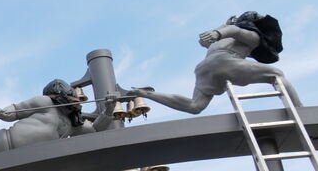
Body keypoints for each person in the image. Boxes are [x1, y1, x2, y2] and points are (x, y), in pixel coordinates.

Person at [123, 12, 301, 114]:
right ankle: (301, 110)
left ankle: (144, 94)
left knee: (195, 106)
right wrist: (218, 31)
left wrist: (218, 30)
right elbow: (236, 32)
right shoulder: (253, 37)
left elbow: (205, 41)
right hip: (226, 60)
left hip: (204, 68)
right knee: (277, 74)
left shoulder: (219, 41)